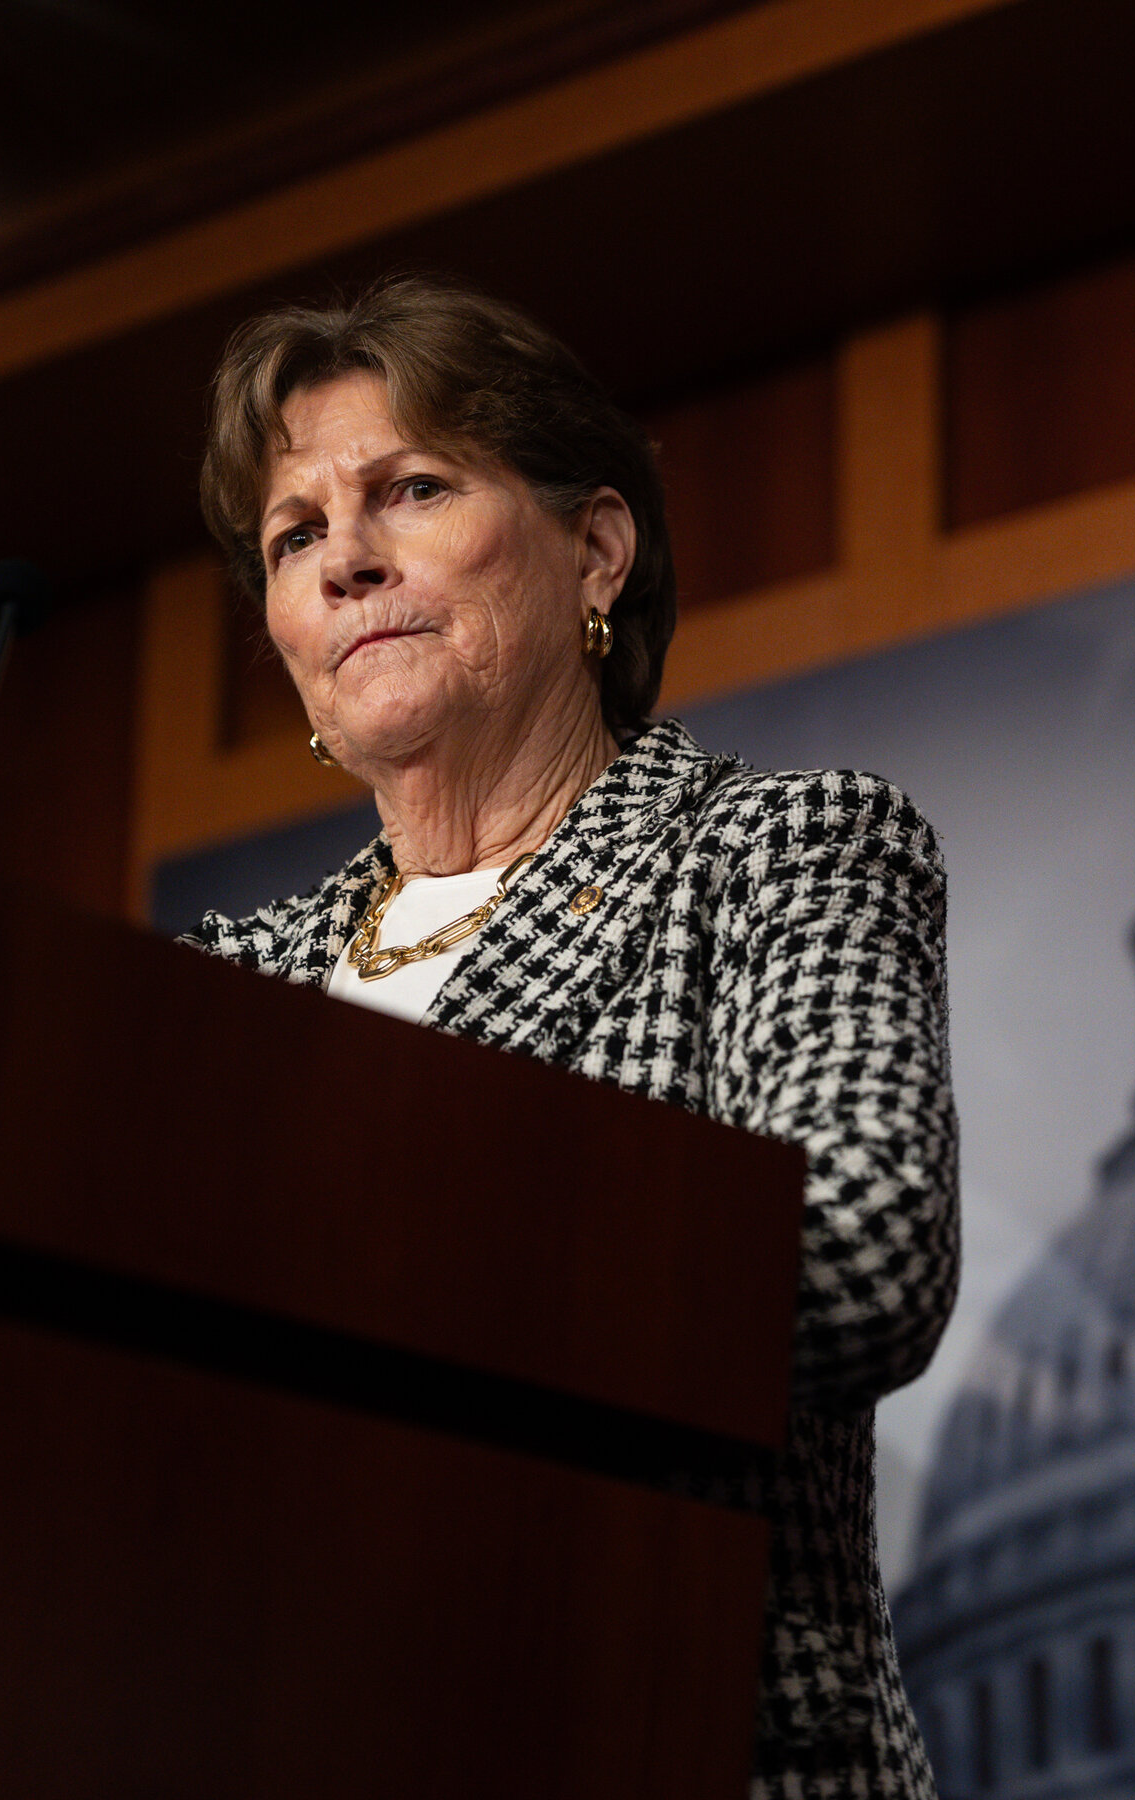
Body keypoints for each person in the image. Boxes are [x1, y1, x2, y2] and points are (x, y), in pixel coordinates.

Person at [189, 275, 958, 1797]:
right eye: (294, 535)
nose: (345, 559)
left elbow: (866, 1246)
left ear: (597, 550)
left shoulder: (774, 852)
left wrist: (374, 1286)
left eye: (413, 489)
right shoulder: (224, 988)